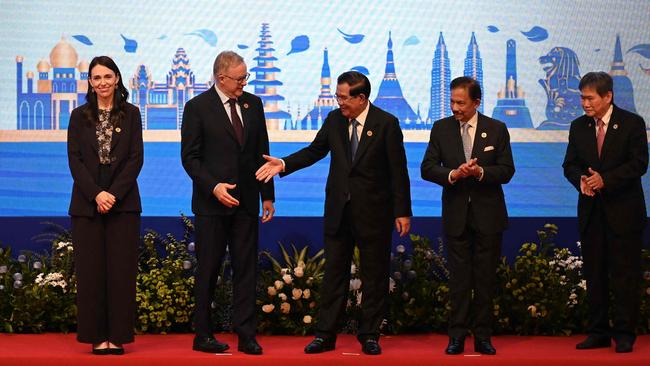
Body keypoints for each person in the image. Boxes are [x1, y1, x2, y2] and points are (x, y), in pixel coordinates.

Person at [255, 71, 412, 355]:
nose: (338, 102)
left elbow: (398, 172)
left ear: (361, 98)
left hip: (374, 213)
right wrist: (284, 164)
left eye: (343, 97)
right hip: (339, 212)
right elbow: (315, 150)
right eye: (338, 96)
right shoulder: (334, 120)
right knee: (334, 276)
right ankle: (325, 335)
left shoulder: (387, 124)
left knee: (374, 276)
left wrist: (403, 211)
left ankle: (370, 335)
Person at [181, 51, 275, 355]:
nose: (244, 83)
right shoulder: (197, 108)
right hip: (212, 205)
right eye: (239, 78)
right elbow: (190, 158)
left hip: (247, 201)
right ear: (221, 78)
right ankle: (203, 334)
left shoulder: (253, 104)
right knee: (208, 270)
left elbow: (263, 151)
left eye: (245, 77)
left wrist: (268, 194)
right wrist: (213, 187)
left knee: (246, 269)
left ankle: (246, 334)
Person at [420, 76, 514, 355]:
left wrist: (480, 172)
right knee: (459, 280)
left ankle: (483, 336)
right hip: (456, 215)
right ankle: (457, 336)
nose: (455, 107)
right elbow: (427, 167)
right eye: (452, 101)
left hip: (489, 215)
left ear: (476, 102)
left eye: (461, 102)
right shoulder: (441, 129)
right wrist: (453, 174)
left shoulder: (496, 129)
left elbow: (507, 170)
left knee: (485, 279)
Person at [563, 71, 648, 353]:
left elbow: (639, 164)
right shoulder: (578, 127)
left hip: (624, 213)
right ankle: (598, 331)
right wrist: (582, 181)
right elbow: (570, 165)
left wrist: (606, 180)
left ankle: (624, 334)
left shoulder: (632, 123)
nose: (584, 103)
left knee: (624, 275)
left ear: (607, 96)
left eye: (590, 98)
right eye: (582, 98)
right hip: (591, 213)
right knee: (595, 274)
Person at [67, 56, 143, 355]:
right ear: (89, 82)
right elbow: (75, 160)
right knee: (91, 273)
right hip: (87, 206)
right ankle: (97, 336)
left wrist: (113, 194)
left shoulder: (132, 114)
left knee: (121, 273)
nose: (102, 83)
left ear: (117, 79)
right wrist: (96, 194)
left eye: (108, 77)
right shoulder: (78, 116)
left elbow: (136, 158)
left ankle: (118, 336)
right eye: (96, 78)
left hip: (123, 205)